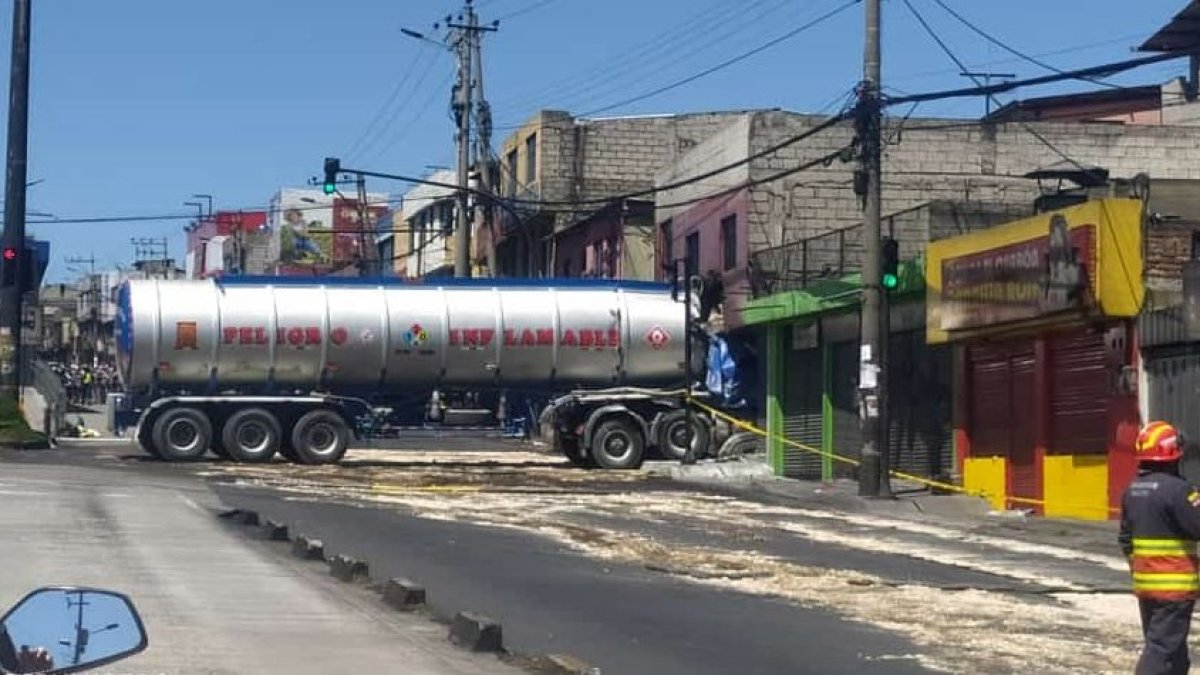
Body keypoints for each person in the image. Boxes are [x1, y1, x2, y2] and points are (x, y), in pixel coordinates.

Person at [1120, 420, 1200, 675]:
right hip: (1174, 585)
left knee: (1172, 650)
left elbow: (1125, 540)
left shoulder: (1132, 491)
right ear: (1172, 453)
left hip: (1147, 584)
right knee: (1161, 649)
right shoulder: (1179, 491)